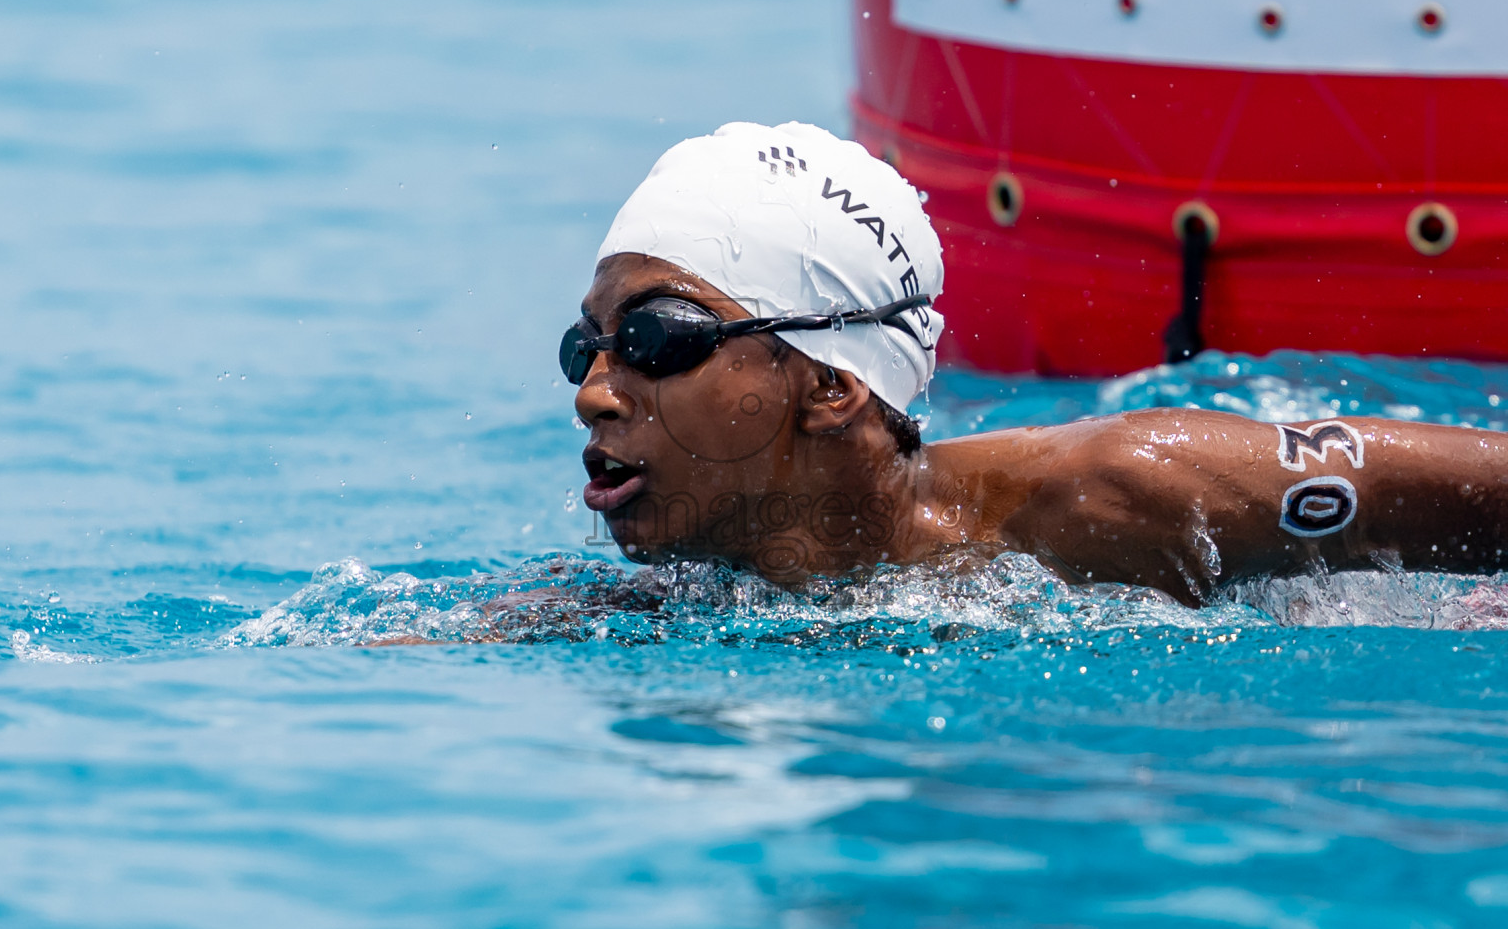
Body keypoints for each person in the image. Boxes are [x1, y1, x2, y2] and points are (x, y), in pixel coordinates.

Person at [563, 122, 1508, 605]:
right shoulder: (679, 593)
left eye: (657, 338)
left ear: (830, 385)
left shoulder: (1128, 490)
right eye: (587, 346)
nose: (596, 390)